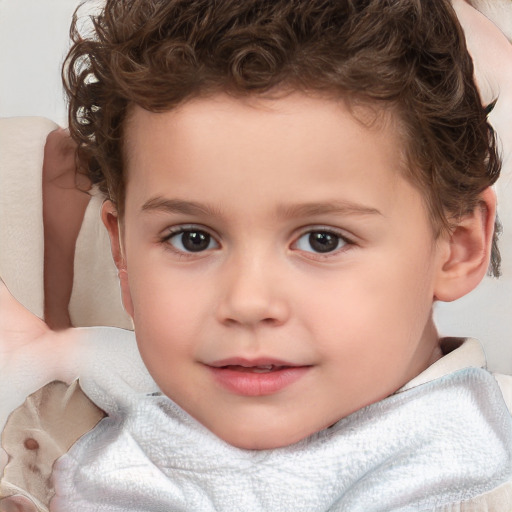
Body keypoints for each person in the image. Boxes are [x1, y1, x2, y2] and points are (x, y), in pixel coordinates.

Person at [1, 0, 512, 510]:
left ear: (458, 248)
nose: (247, 301)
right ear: (123, 252)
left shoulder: (484, 476)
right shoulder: (51, 454)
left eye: (322, 241)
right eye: (192, 239)